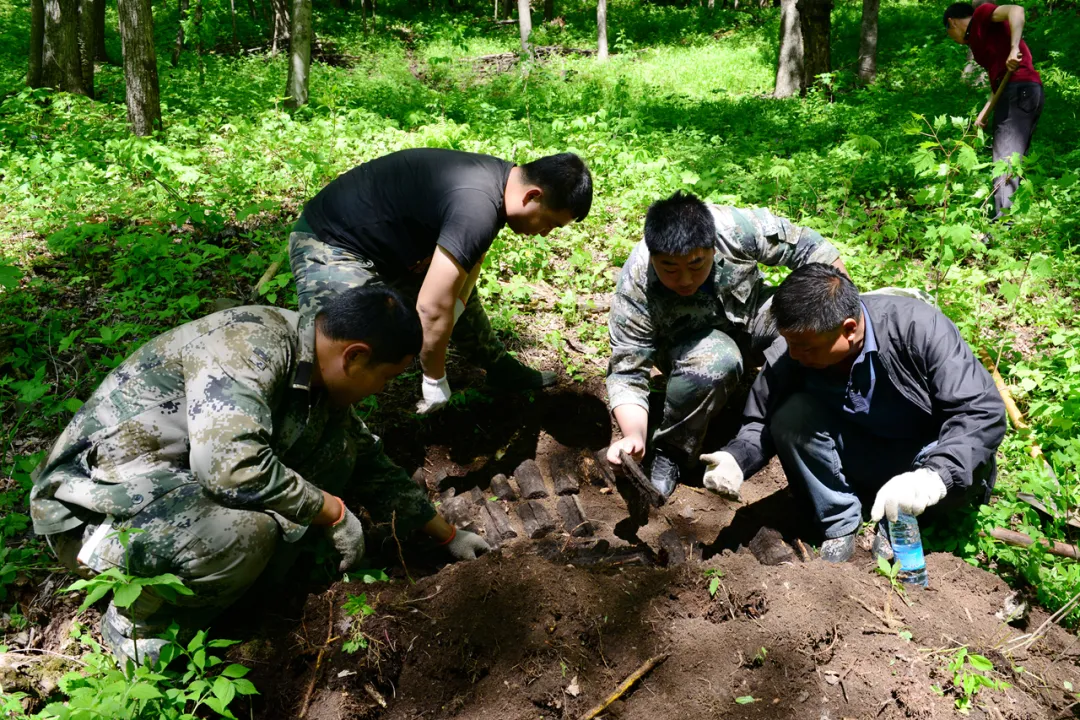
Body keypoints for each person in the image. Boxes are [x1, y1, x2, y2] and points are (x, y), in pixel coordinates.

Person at [30, 287, 489, 666]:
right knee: (245, 531)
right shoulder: (249, 345)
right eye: (386, 378)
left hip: (167, 497)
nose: (382, 391)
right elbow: (228, 466)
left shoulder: (315, 367)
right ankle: (137, 624)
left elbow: (369, 461)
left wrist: (445, 534)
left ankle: (232, 600)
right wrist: (329, 510)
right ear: (355, 356)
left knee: (336, 453)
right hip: (94, 513)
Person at [699, 264, 1006, 562]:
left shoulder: (917, 329)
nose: (794, 355)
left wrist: (935, 475)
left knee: (967, 464)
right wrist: (737, 458)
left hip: (924, 456)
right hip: (860, 452)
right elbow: (761, 419)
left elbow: (980, 411)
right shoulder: (798, 345)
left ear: (849, 329)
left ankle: (901, 521)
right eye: (789, 343)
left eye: (806, 348)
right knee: (791, 416)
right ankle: (839, 520)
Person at [290, 148, 593, 414]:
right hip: (331, 243)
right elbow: (431, 309)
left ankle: (500, 369)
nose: (545, 234)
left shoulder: (500, 181)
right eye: (550, 223)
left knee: (457, 296)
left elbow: (473, 258)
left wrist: (460, 303)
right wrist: (435, 379)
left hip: (390, 249)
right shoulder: (477, 205)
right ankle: (318, 424)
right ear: (533, 196)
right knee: (342, 344)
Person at [604, 191, 846, 499]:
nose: (685, 280)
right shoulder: (636, 283)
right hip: (686, 348)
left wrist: (835, 316)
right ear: (652, 257)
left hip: (751, 314)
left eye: (696, 264)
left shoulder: (736, 228)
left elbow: (816, 251)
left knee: (808, 330)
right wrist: (634, 436)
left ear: (712, 246)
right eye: (670, 268)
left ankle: (820, 410)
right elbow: (627, 372)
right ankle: (672, 450)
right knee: (718, 359)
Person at [944, 2, 1043, 220]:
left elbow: (1016, 10)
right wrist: (985, 112)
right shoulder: (979, 42)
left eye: (949, 32)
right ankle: (1011, 220)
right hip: (1016, 91)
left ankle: (1000, 227)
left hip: (1020, 89)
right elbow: (997, 79)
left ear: (952, 22)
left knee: (1005, 160)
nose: (952, 38)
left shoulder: (981, 15)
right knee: (1013, 159)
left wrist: (1014, 47)